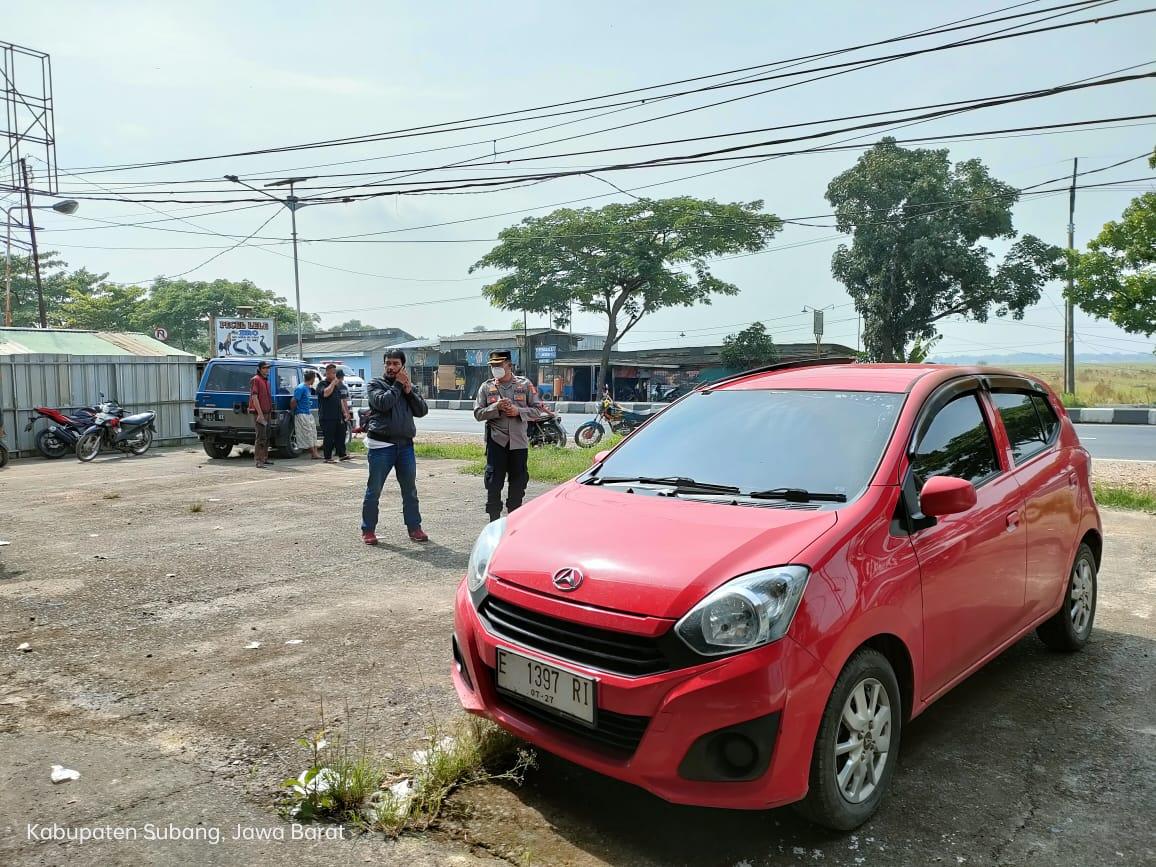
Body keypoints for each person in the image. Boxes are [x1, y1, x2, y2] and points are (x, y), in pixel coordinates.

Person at [361, 350, 430, 545]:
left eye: (395, 364)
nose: (391, 367)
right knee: (374, 489)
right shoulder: (375, 385)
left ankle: (415, 528)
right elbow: (383, 403)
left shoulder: (408, 387)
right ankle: (368, 529)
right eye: (388, 363)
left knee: (410, 490)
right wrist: (399, 385)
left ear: (402, 366)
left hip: (405, 446)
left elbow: (422, 411)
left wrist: (409, 392)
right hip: (381, 446)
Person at [474, 350, 544, 522]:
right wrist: (495, 408)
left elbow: (537, 411)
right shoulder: (486, 387)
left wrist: (518, 411)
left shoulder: (525, 385)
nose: (495, 369)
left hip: (518, 443)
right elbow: (477, 414)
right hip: (496, 441)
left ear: (509, 365)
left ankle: (513, 522)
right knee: (493, 484)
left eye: (499, 365)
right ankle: (494, 521)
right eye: (493, 366)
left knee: (518, 484)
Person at [316, 364, 351, 463]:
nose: (335, 375)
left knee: (341, 435)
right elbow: (325, 394)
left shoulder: (337, 386)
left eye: (336, 373)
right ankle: (328, 457)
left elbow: (340, 400)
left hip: (338, 415)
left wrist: (345, 412)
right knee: (329, 437)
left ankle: (342, 454)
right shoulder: (322, 384)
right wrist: (332, 384)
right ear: (327, 373)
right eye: (333, 373)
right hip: (327, 416)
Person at [248, 360, 274, 469]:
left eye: (267, 368)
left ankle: (264, 458)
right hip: (260, 413)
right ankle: (258, 460)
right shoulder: (256, 380)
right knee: (260, 437)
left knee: (266, 436)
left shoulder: (266, 381)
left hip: (267, 412)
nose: (266, 369)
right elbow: (254, 397)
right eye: (264, 368)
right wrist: (260, 414)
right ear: (259, 369)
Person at [291, 369, 321, 460]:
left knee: (313, 433)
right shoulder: (301, 388)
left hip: (308, 413)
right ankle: (313, 453)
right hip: (301, 413)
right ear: (312, 378)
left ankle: (315, 453)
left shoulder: (308, 388)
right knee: (306, 434)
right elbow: (293, 401)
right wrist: (294, 412)